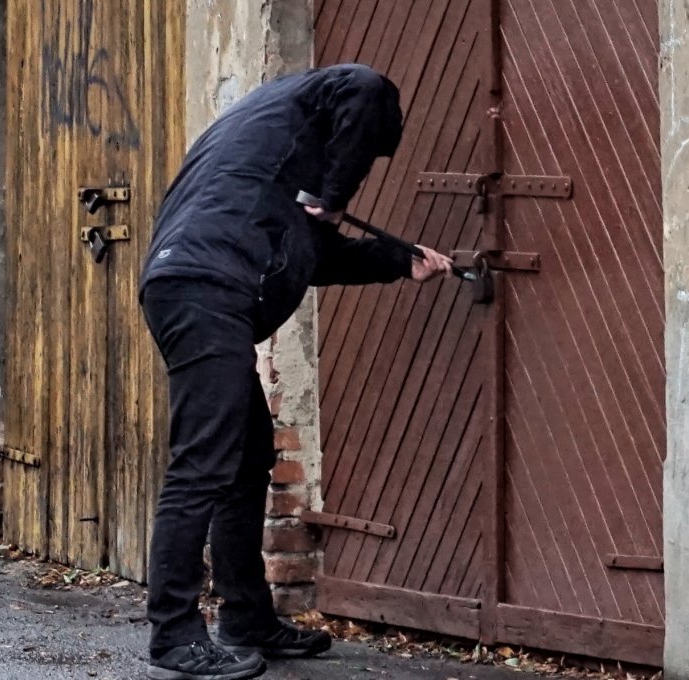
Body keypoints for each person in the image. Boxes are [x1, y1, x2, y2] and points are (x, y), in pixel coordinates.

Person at [138, 64, 454, 680]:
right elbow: (364, 91)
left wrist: (396, 259)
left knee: (246, 456)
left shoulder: (264, 153)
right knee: (201, 465)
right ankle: (173, 635)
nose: (361, 165)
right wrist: (335, 198)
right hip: (204, 290)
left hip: (197, 283)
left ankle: (247, 617)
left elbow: (300, 252)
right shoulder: (347, 90)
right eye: (366, 151)